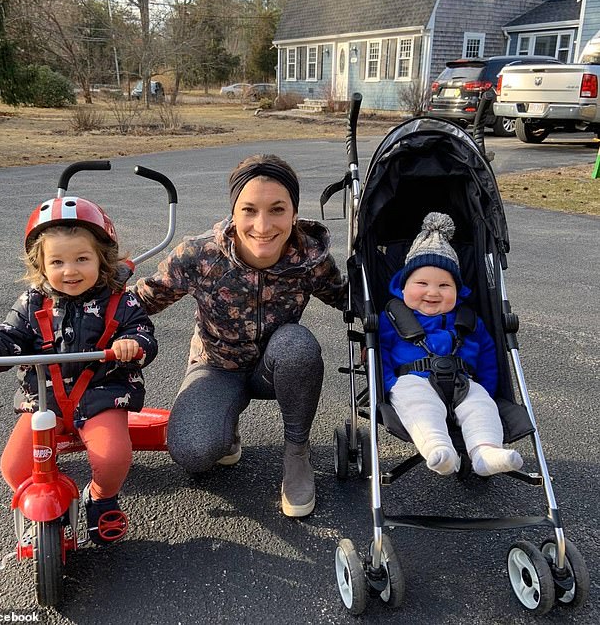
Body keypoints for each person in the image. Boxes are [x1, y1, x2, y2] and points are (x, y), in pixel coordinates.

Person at [132, 154, 347, 517]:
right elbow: (141, 301)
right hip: (217, 366)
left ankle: (296, 453)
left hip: (275, 367)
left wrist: (419, 298)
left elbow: (348, 299)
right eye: (249, 210)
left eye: (277, 209)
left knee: (297, 345)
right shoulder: (199, 255)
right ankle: (224, 430)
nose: (262, 225)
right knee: (193, 452)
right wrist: (76, 309)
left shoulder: (310, 257)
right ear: (234, 212)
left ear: (294, 213)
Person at [0, 197, 158, 544]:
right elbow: (9, 335)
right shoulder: (32, 304)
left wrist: (133, 344)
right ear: (40, 265)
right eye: (57, 261)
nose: (70, 270)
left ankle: (100, 498)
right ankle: (45, 497)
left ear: (102, 258)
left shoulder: (121, 300)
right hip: (45, 400)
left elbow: (142, 332)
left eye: (82, 259)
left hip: (102, 395)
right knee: (13, 468)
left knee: (113, 457)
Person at [379, 212, 523, 477]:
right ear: (403, 286)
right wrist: (388, 385)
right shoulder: (392, 316)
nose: (433, 292)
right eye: (421, 283)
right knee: (420, 407)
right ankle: (438, 448)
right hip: (412, 379)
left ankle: (486, 452)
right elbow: (381, 353)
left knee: (481, 407)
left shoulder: (468, 319)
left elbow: (489, 356)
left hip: (463, 381)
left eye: (444, 285)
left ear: (458, 290)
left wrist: (488, 389)